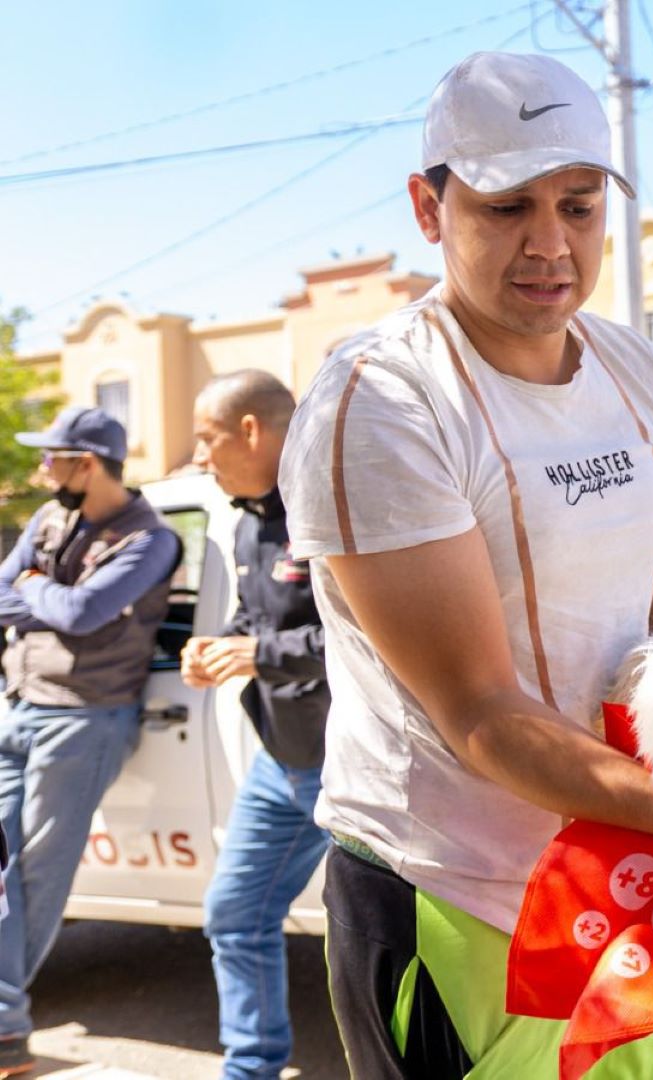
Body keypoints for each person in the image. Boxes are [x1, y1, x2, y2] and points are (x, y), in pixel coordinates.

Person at [277, 51, 653, 1078]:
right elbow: (480, 713)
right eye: (507, 206)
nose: (551, 243)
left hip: (627, 878)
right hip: (459, 898)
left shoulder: (633, 366)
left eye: (580, 204)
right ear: (431, 209)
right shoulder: (382, 403)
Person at [0, 405, 182, 1077]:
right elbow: (4, 593)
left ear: (88, 463)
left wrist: (37, 588)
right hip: (18, 707)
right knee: (2, 875)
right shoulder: (51, 518)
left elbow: (85, 614)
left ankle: (5, 1034)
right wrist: (47, 594)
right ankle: (6, 1025)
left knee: (39, 879)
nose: (43, 468)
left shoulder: (150, 538)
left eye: (53, 457)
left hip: (83, 720)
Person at [185, 371, 330, 1080]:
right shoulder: (246, 521)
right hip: (281, 760)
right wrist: (220, 646)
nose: (199, 456)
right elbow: (259, 618)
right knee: (235, 916)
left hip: (350, 764)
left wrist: (259, 652)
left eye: (208, 438)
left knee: (399, 934)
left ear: (251, 430)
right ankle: (252, 1068)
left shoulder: (331, 502)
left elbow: (370, 637)